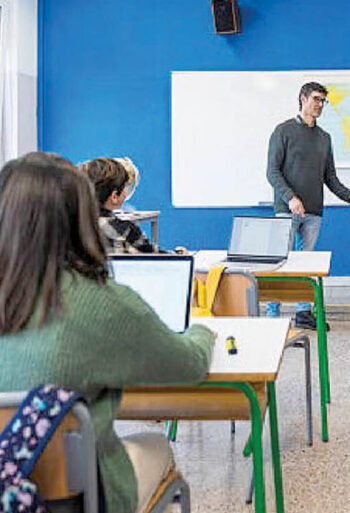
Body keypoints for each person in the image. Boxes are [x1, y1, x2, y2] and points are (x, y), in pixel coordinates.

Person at [0, 152, 215, 513]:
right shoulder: (101, 303)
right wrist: (203, 331)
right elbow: (189, 365)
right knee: (157, 446)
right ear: (81, 217)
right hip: (78, 498)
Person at [266, 81, 350, 330]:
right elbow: (272, 172)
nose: (320, 105)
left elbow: (330, 177)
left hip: (314, 213)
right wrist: (291, 198)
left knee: (305, 264)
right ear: (303, 98)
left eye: (323, 101)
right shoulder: (283, 131)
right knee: (279, 262)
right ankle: (272, 315)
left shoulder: (324, 138)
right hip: (286, 210)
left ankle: (303, 313)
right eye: (316, 99)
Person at [80, 157, 156, 254]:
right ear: (114, 196)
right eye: (124, 188)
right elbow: (154, 256)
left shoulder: (70, 225)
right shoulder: (128, 231)